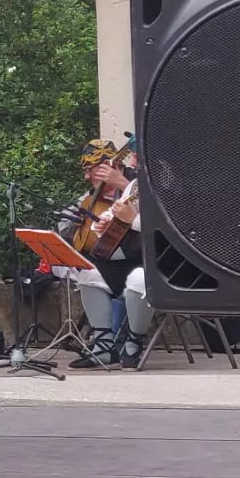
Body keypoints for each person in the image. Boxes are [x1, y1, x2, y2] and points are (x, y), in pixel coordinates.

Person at [55, 142, 149, 367]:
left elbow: (158, 215)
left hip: (148, 261)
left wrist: (122, 183)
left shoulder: (141, 181)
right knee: (87, 272)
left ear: (109, 165)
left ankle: (134, 343)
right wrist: (103, 226)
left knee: (138, 279)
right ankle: (104, 346)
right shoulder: (91, 197)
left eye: (92, 170)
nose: (87, 177)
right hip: (116, 261)